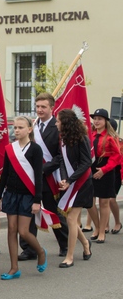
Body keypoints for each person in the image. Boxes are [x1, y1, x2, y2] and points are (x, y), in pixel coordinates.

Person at [0, 116, 47, 280]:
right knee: (11, 229)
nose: (16, 130)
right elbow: (5, 173)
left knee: (23, 231)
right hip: (11, 194)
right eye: (15, 127)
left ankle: (40, 251)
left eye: (20, 127)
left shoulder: (35, 149)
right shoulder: (10, 148)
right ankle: (14, 268)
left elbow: (38, 176)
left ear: (29, 130)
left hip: (27, 195)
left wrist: (37, 200)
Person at [19, 93, 68, 260]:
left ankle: (65, 244)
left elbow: (61, 156)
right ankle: (29, 248)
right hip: (30, 176)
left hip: (49, 177)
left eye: (43, 107)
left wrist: (43, 169)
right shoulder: (32, 126)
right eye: (37, 106)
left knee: (53, 211)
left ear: (52, 108)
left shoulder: (58, 127)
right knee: (28, 211)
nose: (39, 110)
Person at [54, 109, 93, 267]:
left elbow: (86, 162)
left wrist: (70, 180)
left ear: (66, 123)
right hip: (70, 182)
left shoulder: (82, 138)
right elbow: (62, 161)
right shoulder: (63, 138)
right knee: (70, 218)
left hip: (82, 182)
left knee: (70, 218)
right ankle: (86, 244)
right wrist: (64, 178)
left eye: (58, 121)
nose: (56, 123)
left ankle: (69, 256)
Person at [87, 108, 121, 243]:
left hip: (106, 171)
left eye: (99, 119)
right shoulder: (91, 135)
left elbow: (116, 156)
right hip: (91, 169)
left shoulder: (111, 137)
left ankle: (102, 232)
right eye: (95, 119)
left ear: (106, 121)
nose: (96, 121)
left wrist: (104, 170)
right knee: (89, 202)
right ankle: (96, 227)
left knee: (104, 202)